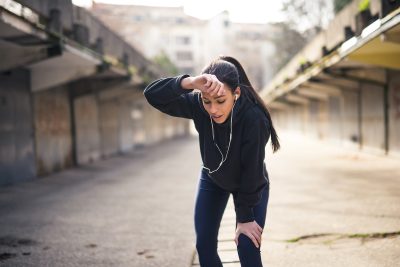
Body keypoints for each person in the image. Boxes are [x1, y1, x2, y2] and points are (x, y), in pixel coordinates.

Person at [143, 55, 280, 267]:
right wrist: (189, 82)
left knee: (247, 244)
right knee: (204, 247)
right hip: (213, 177)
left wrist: (244, 218)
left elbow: (251, 171)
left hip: (249, 183)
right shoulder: (198, 104)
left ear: (236, 93)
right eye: (207, 101)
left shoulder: (254, 117)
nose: (213, 109)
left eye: (220, 101)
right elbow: (152, 95)